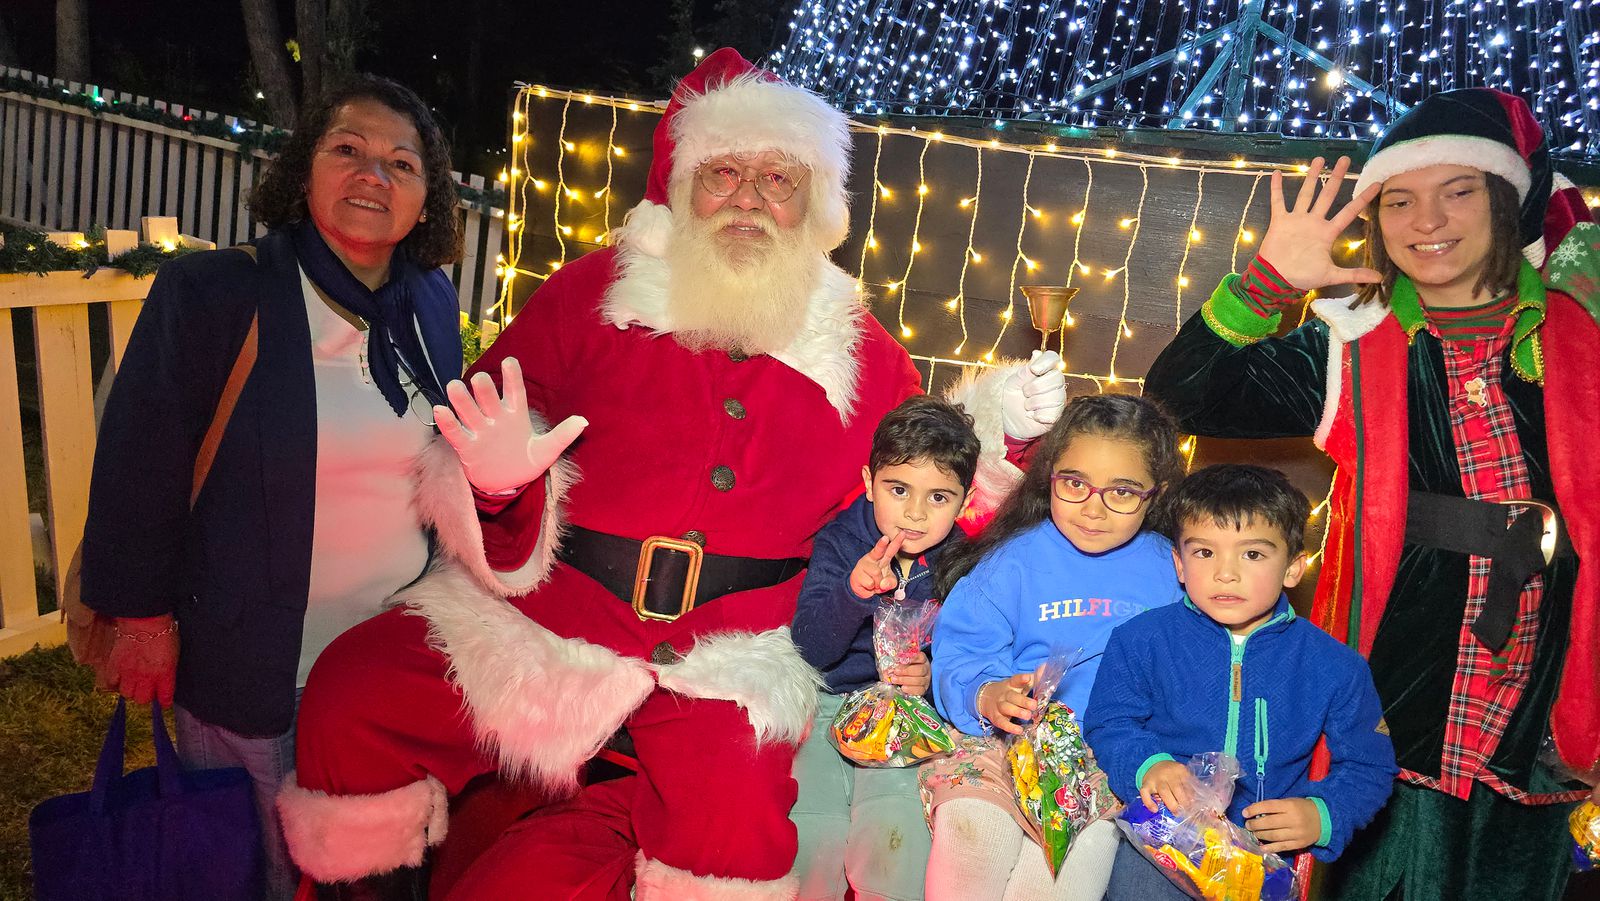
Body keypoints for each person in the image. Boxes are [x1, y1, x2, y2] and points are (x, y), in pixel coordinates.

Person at [277, 48, 1068, 900]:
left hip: (733, 651)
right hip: (550, 616)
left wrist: (998, 431)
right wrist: (498, 484)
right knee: (353, 693)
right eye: (724, 173)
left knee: (731, 839)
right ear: (684, 187)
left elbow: (928, 475)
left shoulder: (855, 346)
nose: (749, 197)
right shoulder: (595, 292)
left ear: (813, 203)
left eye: (778, 178)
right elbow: (482, 426)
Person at [1143, 88, 1600, 901]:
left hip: (1546, 699)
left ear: (1505, 199)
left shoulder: (1580, 332)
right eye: (1399, 200)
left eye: (1458, 190)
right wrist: (1269, 281)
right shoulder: (1352, 338)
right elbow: (1182, 394)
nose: (1428, 220)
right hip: (1395, 690)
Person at [78, 75, 467, 900]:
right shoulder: (219, 292)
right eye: (348, 149)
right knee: (257, 868)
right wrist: (142, 619)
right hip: (253, 661)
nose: (374, 175)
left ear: (427, 198)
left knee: (369, 869)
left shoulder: (430, 302)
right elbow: (139, 460)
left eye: (402, 163)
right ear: (304, 168)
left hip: (386, 666)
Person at [1085, 464, 1398, 899]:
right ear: (1179, 564)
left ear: (1293, 568)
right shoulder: (1141, 639)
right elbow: (1110, 724)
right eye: (1204, 552)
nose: (1225, 573)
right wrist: (1148, 765)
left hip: (1261, 859)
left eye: (1252, 555)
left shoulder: (1335, 666)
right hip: (1159, 836)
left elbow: (1370, 765)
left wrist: (1323, 814)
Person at [919, 393, 1184, 901]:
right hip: (1003, 746)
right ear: (1050, 477)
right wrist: (986, 693)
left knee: (1064, 879)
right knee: (972, 835)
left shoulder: (1173, 570)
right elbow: (963, 648)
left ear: (1157, 494)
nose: (1093, 508)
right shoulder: (1014, 560)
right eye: (1075, 484)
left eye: (1122, 491)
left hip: (1100, 763)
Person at [788, 394, 981, 901]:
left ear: (965, 501)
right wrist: (852, 592)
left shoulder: (964, 561)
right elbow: (809, 649)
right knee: (812, 830)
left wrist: (930, 676)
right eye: (899, 490)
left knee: (899, 838)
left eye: (938, 497)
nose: (915, 513)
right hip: (828, 701)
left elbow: (973, 653)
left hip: (910, 714)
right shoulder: (840, 541)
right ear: (869, 483)